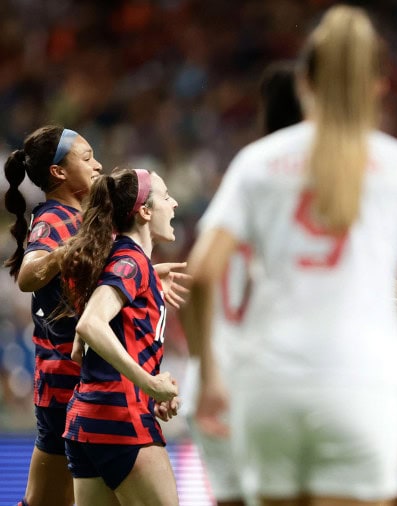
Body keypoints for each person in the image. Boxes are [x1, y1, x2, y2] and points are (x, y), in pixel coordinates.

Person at [181, 5, 397, 506]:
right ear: (379, 84)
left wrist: (210, 375)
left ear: (305, 80)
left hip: (269, 384)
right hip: (364, 382)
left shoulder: (258, 162)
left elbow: (201, 275)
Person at [181, 59, 302, 506]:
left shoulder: (244, 177)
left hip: (214, 385)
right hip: (266, 386)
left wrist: (204, 366)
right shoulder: (305, 190)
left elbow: (198, 277)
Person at [58, 167, 182, 505]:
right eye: (166, 196)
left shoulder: (121, 261)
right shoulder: (130, 262)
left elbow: (80, 350)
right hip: (121, 420)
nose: (175, 204)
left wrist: (150, 388)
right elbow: (90, 325)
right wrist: (147, 383)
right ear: (144, 211)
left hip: (86, 423)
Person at [3, 125, 101, 506]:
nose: (98, 166)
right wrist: (67, 250)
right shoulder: (54, 220)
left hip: (75, 383)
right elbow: (29, 275)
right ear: (59, 172)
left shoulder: (76, 219)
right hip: (68, 386)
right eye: (88, 158)